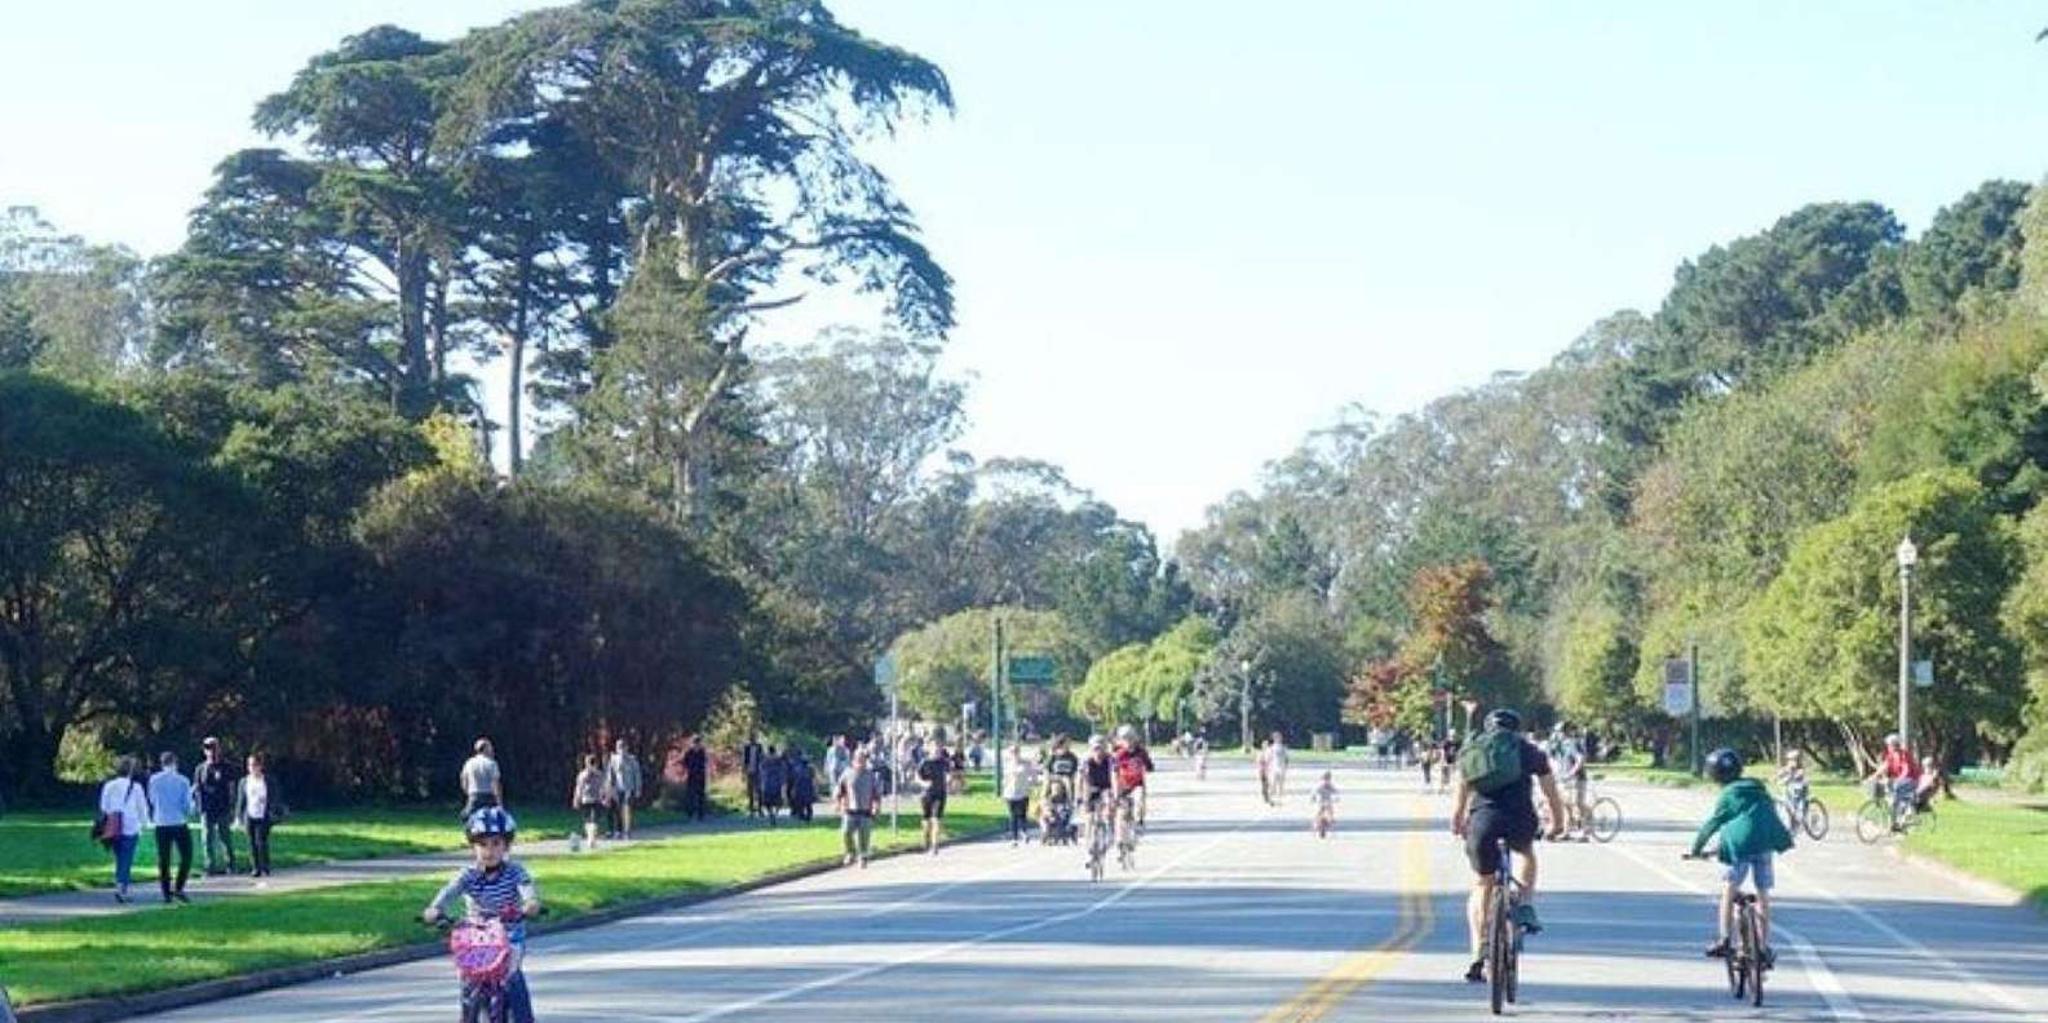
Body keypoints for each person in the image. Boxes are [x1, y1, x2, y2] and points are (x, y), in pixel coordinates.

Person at [1451, 708, 1566, 985]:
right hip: (1519, 818)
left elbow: (1462, 789)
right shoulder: (1528, 751)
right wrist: (1558, 824)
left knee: (1482, 884)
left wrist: (1458, 819)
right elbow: (1551, 793)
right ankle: (1525, 904)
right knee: (1526, 852)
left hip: (1483, 823)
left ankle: (1479, 949)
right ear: (1517, 729)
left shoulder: (1474, 749)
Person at [424, 808, 542, 1023]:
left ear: (506, 845)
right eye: (483, 844)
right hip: (474, 936)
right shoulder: (468, 875)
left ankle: (524, 1018)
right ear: (473, 846)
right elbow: (450, 891)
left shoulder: (515, 872)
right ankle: (468, 1016)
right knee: (467, 979)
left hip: (509, 932)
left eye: (496, 843)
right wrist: (435, 909)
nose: (489, 851)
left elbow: (527, 889)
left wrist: (530, 904)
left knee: (512, 975)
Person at [1688, 748, 1794, 966]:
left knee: (1729, 887)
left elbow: (1713, 824)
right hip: (1765, 842)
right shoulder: (1758, 787)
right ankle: (1763, 947)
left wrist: (1697, 849)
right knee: (1763, 893)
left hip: (1740, 847)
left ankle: (1725, 939)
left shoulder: (1728, 794)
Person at [97, 756, 150, 903]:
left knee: (119, 857)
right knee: (126, 858)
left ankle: (119, 883)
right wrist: (145, 823)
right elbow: (142, 807)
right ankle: (122, 888)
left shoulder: (109, 785)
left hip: (113, 826)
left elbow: (103, 806)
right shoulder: (136, 787)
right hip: (130, 826)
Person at [148, 751, 196, 904]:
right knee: (186, 855)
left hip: (161, 822)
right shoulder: (183, 780)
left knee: (164, 859)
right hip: (178, 821)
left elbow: (152, 799)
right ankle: (179, 886)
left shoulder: (154, 780)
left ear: (162, 764)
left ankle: (166, 892)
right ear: (175, 762)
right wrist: (191, 809)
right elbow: (186, 805)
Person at [194, 737, 239, 877]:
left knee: (225, 837)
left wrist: (232, 806)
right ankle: (209, 866)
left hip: (222, 807)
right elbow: (197, 788)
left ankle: (230, 864)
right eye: (208, 748)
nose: (211, 751)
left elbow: (231, 787)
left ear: (218, 748)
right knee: (206, 838)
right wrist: (198, 806)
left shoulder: (226, 767)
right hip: (207, 809)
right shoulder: (200, 768)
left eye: (213, 747)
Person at [233, 754, 282, 877]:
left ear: (260, 766)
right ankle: (255, 867)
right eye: (249, 765)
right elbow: (241, 800)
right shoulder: (244, 781)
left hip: (263, 814)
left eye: (254, 765)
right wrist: (238, 816)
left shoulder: (268, 781)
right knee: (251, 842)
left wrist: (273, 810)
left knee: (261, 841)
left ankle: (265, 865)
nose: (252, 768)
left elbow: (274, 797)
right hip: (249, 814)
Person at [835, 747, 880, 867]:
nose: (861, 762)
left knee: (864, 835)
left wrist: (876, 807)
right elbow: (840, 790)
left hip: (865, 810)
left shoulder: (871, 776)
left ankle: (863, 856)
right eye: (859, 759)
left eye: (863, 759)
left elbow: (876, 794)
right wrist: (838, 804)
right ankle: (850, 853)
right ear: (854, 760)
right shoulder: (847, 773)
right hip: (850, 809)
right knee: (846, 832)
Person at [1865, 733, 1921, 826]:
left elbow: (1906, 770)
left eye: (1890, 745)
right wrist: (1873, 776)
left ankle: (1906, 813)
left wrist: (1898, 779)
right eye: (1888, 745)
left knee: (1896, 795)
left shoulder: (1904, 755)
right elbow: (1884, 766)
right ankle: (1894, 821)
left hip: (1911, 780)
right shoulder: (1891, 755)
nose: (1888, 747)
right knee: (1888, 795)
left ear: (1896, 745)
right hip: (1900, 780)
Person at [1552, 724, 1590, 840]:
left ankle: (1585, 831)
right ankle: (1566, 832)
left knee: (1578, 804)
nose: (1558, 734)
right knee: (1566, 805)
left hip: (1577, 778)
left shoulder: (1574, 743)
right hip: (1565, 779)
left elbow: (1580, 759)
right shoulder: (1560, 745)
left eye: (1560, 732)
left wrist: (1572, 772)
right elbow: (1557, 761)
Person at [1111, 725, 1154, 826]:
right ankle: (1122, 834)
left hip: (1137, 783)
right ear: (1120, 741)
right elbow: (1114, 772)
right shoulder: (1118, 754)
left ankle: (1139, 818)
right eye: (1125, 739)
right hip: (1123, 784)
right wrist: (1115, 791)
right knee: (1122, 811)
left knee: (1139, 797)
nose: (1128, 742)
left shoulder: (1141, 752)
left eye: (1130, 738)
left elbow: (1149, 765)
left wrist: (1148, 766)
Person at [604, 738, 643, 841]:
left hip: (629, 788)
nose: (621, 750)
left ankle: (627, 830)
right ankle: (619, 830)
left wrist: (638, 789)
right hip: (617, 788)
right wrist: (609, 789)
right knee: (617, 809)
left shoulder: (632, 760)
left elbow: (637, 775)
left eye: (623, 747)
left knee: (626, 809)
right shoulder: (613, 760)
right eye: (619, 747)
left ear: (627, 748)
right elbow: (610, 775)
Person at [917, 738, 951, 854]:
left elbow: (948, 773)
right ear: (930, 749)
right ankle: (926, 839)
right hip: (927, 794)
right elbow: (917, 777)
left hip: (940, 793)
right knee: (927, 820)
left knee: (937, 819)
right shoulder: (924, 762)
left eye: (939, 748)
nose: (937, 750)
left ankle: (935, 845)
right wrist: (923, 783)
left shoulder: (944, 762)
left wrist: (948, 780)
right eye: (935, 748)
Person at [1002, 744, 1039, 845]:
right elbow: (1005, 779)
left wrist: (1032, 783)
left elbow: (1033, 775)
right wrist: (1003, 790)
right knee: (1012, 815)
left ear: (1019, 752)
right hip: (1010, 792)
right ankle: (1014, 837)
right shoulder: (1007, 764)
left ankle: (1024, 831)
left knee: (1022, 813)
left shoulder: (1025, 763)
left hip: (1023, 791)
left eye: (1016, 751)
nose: (1014, 754)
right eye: (1012, 752)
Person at [460, 738, 503, 820]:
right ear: (485, 749)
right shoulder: (491, 763)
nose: (492, 750)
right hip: (489, 796)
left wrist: (468, 793)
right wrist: (499, 803)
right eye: (490, 747)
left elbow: (463, 780)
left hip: (474, 796)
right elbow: (496, 784)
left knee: (469, 819)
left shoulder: (469, 763)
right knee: (491, 821)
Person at [571, 753, 606, 851]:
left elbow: (603, 787)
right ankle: (591, 840)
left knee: (593, 821)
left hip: (595, 800)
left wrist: (604, 797)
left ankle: (591, 840)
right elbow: (579, 788)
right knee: (589, 822)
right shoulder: (584, 775)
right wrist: (576, 799)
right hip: (587, 800)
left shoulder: (597, 775)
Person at [759, 746, 789, 825]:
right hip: (776, 784)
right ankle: (775, 814)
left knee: (768, 803)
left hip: (768, 784)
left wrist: (762, 783)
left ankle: (771, 814)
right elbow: (783, 771)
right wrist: (783, 782)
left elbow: (762, 772)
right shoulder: (778, 760)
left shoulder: (765, 761)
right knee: (778, 802)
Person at [682, 736, 709, 822]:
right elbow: (684, 762)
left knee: (701, 795)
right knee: (691, 795)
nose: (697, 745)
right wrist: (690, 768)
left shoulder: (702, 752)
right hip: (692, 775)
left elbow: (705, 762)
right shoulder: (689, 752)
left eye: (698, 743)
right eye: (695, 743)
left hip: (701, 775)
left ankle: (701, 814)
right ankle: (690, 813)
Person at [788, 751, 817, 822]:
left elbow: (794, 780)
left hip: (799, 788)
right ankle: (807, 816)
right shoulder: (810, 769)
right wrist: (815, 789)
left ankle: (802, 815)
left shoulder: (796, 769)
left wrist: (793, 789)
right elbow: (814, 780)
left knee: (801, 804)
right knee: (808, 804)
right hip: (807, 788)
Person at [741, 735, 766, 817]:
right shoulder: (746, 747)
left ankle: (760, 810)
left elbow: (762, 758)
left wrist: (762, 768)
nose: (753, 740)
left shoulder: (759, 747)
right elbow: (744, 760)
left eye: (754, 738)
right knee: (750, 792)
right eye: (751, 738)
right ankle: (751, 810)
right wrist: (743, 772)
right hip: (749, 772)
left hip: (758, 771)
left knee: (759, 791)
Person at [1312, 770, 1339, 835]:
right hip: (1321, 801)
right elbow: (1315, 792)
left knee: (1330, 811)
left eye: (1328, 779)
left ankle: (1331, 821)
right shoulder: (1320, 786)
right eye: (1325, 779)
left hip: (1328, 801)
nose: (1326, 781)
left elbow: (1335, 791)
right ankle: (1315, 825)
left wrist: (1336, 798)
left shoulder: (1330, 786)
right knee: (1318, 812)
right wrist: (1314, 797)